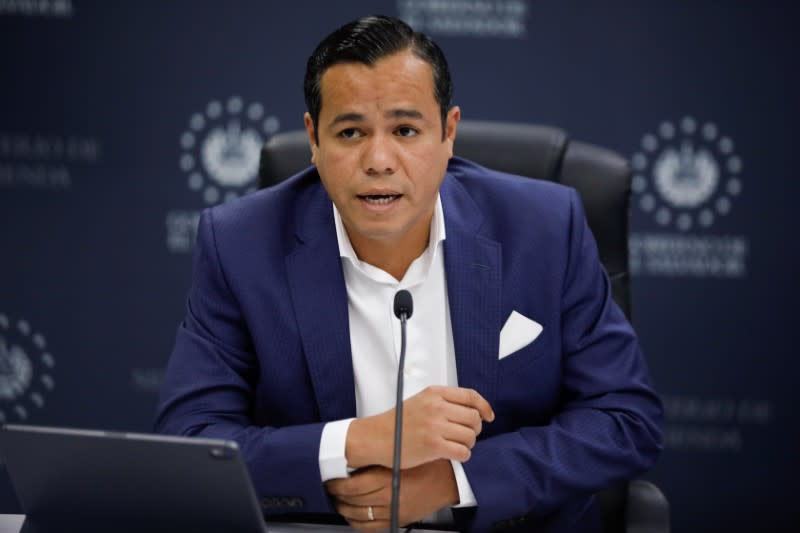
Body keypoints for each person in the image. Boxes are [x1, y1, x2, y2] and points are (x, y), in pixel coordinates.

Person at [155, 15, 663, 533]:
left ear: (448, 132)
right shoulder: (241, 244)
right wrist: (363, 440)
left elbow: (625, 420)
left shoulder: (545, 229)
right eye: (350, 132)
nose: (378, 160)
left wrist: (459, 481)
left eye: (405, 130)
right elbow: (193, 444)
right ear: (314, 139)